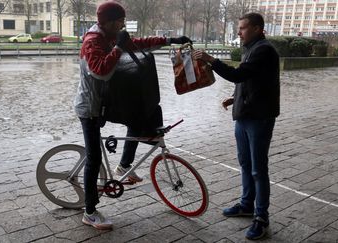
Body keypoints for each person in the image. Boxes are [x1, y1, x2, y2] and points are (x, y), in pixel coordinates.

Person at [73, 1, 192, 230]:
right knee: (94, 158)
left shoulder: (110, 35)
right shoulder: (92, 41)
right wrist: (118, 48)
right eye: (119, 21)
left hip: (106, 102)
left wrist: (169, 40)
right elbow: (101, 71)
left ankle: (123, 166)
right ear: (107, 22)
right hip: (89, 107)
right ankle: (89, 212)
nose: (122, 25)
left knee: (137, 117)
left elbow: (137, 44)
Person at [193, 12, 280, 240]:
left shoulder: (264, 50)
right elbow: (252, 80)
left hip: (259, 118)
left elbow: (238, 75)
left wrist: (211, 60)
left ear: (257, 28)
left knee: (258, 169)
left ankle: (261, 218)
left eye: (242, 28)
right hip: (244, 114)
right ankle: (246, 205)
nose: (239, 32)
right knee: (245, 163)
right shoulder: (250, 48)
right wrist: (235, 97)